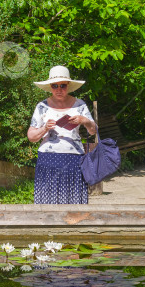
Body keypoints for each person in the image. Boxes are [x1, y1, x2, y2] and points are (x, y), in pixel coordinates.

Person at [27, 66, 97, 204]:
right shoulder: (42, 106)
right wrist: (45, 128)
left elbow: (94, 131)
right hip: (48, 159)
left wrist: (84, 121)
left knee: (73, 200)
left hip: (74, 159)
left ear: (68, 85)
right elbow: (31, 136)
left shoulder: (80, 105)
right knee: (47, 200)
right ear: (50, 86)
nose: (59, 89)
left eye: (62, 85)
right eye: (55, 86)